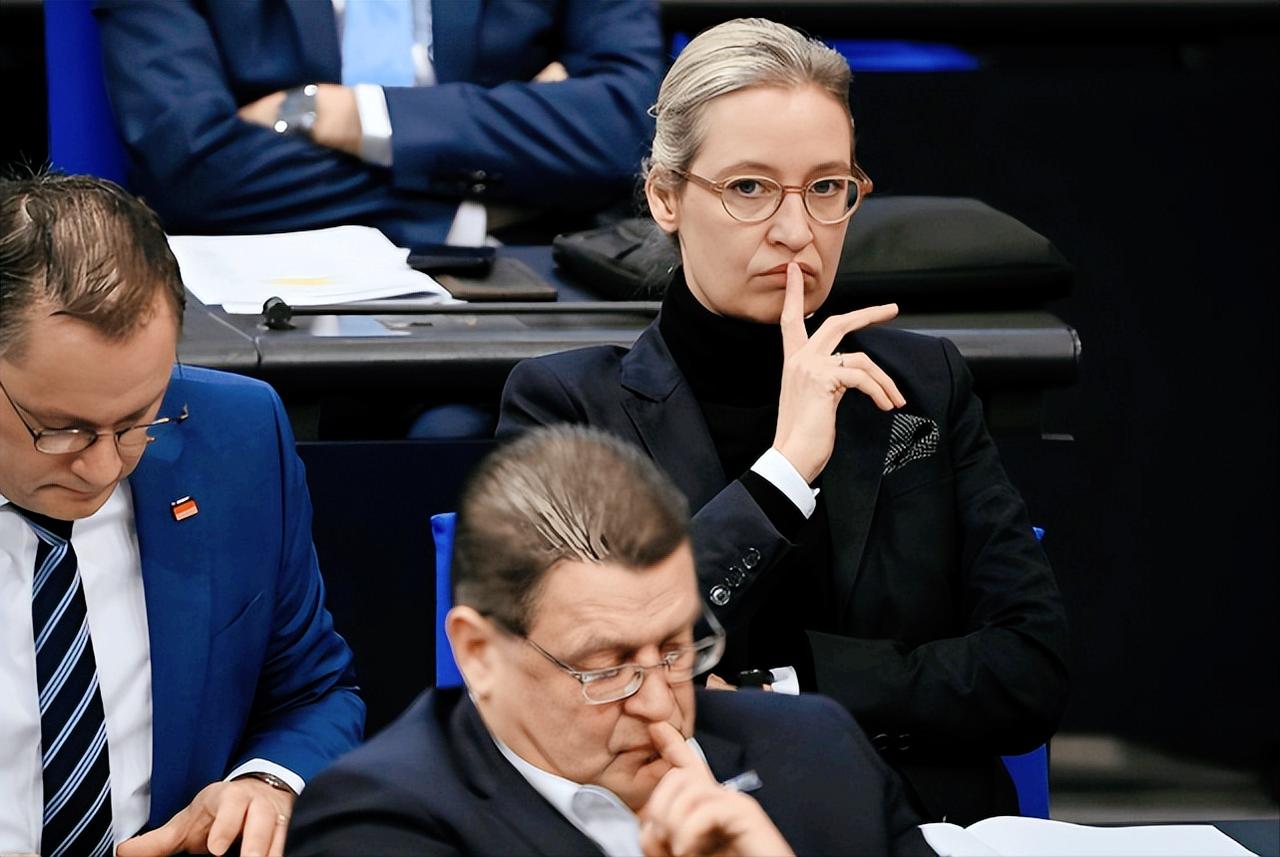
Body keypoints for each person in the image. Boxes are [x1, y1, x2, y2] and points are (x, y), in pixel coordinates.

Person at [498, 18, 1070, 824]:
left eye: (827, 188)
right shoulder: (566, 406)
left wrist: (783, 688)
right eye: (749, 188)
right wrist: (782, 474)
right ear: (666, 197)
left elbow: (1028, 668)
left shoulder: (923, 385)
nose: (797, 232)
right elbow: (589, 676)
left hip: (919, 828)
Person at [288, 425, 931, 855]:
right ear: (479, 654)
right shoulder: (375, 825)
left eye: (676, 649)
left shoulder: (820, 750)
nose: (661, 705)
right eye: (606, 667)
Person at [0, 173, 364, 857]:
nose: (104, 467)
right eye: (62, 429)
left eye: (138, 419)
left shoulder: (237, 438)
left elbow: (312, 690)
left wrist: (267, 783)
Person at [93, 0, 665, 247]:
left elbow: (636, 126)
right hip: (263, 284)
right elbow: (193, 170)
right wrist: (487, 192)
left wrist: (345, 114)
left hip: (517, 287)